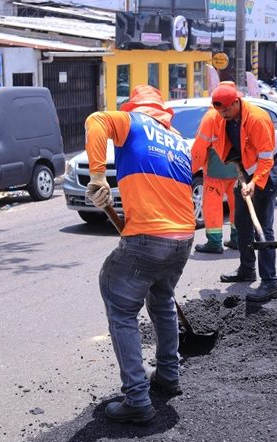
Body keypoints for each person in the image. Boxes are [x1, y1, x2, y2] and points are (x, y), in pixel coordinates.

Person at [84, 85, 195, 423]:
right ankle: (168, 375)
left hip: (149, 236)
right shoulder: (178, 140)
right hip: (183, 237)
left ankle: (137, 399)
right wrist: (112, 199)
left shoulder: (132, 121)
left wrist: (99, 176)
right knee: (161, 299)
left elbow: (96, 121)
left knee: (119, 304)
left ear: (135, 107)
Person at [192, 81, 277, 303]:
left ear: (236, 102)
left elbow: (266, 159)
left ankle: (270, 282)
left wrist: (254, 183)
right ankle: (247, 269)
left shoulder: (257, 119)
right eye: (219, 110)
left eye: (225, 109)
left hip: (267, 173)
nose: (222, 114)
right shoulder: (224, 118)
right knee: (241, 222)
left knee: (262, 228)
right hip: (245, 173)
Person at [194, 113, 239, 254]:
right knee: (237, 206)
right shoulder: (241, 113)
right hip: (238, 170)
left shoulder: (211, 117)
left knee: (212, 207)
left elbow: (199, 148)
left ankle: (214, 242)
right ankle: (238, 239)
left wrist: (191, 168)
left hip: (215, 171)